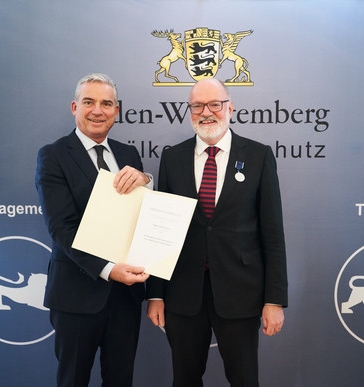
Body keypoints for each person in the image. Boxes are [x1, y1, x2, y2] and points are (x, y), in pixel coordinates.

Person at [146, 78, 288, 387]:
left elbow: (273, 236)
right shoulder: (172, 159)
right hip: (183, 294)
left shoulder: (259, 157)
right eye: (197, 106)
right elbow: (161, 231)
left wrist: (274, 300)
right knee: (184, 379)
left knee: (244, 379)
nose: (206, 112)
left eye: (214, 104)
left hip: (241, 294)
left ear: (230, 108)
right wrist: (155, 294)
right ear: (189, 111)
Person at [35, 73, 151, 387]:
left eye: (106, 103)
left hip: (125, 298)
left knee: (120, 380)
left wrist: (146, 180)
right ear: (75, 107)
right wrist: (109, 269)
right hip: (76, 295)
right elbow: (62, 228)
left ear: (116, 111)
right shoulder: (54, 155)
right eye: (89, 102)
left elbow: (142, 215)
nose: (97, 110)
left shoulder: (129, 156)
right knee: (73, 380)